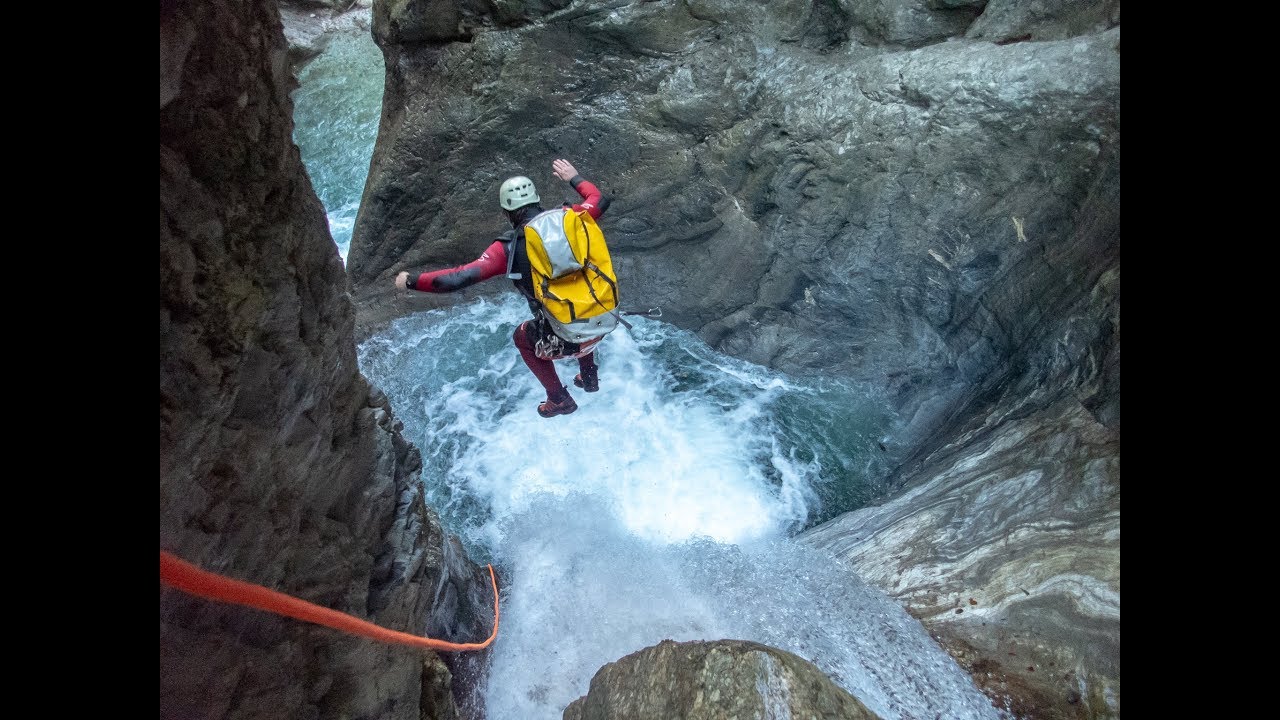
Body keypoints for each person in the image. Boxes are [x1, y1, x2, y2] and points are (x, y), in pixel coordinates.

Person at [395, 158, 607, 418]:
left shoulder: (508, 249)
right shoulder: (574, 218)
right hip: (603, 321)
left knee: (523, 337)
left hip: (568, 338)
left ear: (506, 212)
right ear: (538, 200)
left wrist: (410, 281)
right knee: (579, 298)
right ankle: (589, 376)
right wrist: (573, 177)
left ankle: (558, 398)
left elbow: (456, 279)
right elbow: (598, 199)